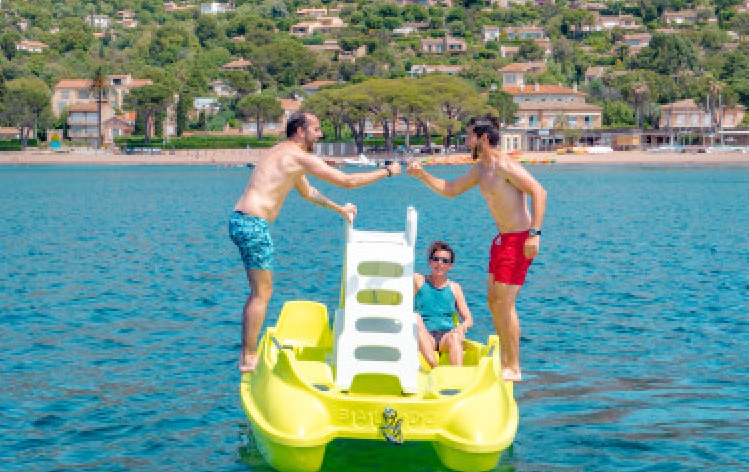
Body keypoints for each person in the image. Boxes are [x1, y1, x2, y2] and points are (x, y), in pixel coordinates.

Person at [230, 111, 401, 373]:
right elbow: (348, 181)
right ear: (300, 131)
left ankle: (248, 352)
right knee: (261, 294)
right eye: (316, 129)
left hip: (243, 221)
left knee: (259, 292)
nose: (320, 134)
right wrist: (387, 171)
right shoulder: (298, 156)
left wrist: (339, 209)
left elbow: (308, 192)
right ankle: (248, 358)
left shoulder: (283, 154)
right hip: (253, 224)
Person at [406, 115, 546, 382]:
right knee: (494, 302)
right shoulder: (481, 169)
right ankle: (505, 360)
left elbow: (539, 192)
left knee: (505, 304)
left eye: (469, 135)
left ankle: (514, 366)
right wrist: (422, 175)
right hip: (501, 241)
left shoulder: (504, 164)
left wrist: (534, 235)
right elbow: (451, 189)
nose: (466, 140)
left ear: (483, 138)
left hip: (518, 240)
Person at [414, 240, 473, 369]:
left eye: (444, 261)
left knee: (456, 336)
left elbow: (468, 319)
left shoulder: (455, 288)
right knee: (415, 317)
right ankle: (435, 368)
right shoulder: (418, 280)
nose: (440, 263)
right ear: (430, 262)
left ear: (450, 265)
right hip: (424, 334)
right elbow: (400, 272)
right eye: (436, 259)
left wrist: (461, 328)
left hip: (445, 336)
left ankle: (457, 378)